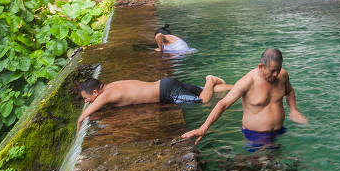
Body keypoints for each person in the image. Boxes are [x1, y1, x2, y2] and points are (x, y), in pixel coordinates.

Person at [181, 48, 308, 148]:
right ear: (261, 66)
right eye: (272, 71)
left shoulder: (283, 75)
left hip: (279, 131)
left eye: (278, 70)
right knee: (267, 169)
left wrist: (294, 109)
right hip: (256, 136)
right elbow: (223, 104)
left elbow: (289, 91)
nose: (276, 75)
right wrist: (203, 128)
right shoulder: (247, 82)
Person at [76, 75, 230, 130]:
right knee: (199, 89)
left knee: (202, 100)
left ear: (96, 92)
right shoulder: (112, 85)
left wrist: (79, 124)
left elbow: (83, 116)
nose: (86, 101)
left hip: (166, 92)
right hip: (164, 83)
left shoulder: (105, 95)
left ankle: (210, 80)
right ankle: (236, 87)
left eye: (86, 98)